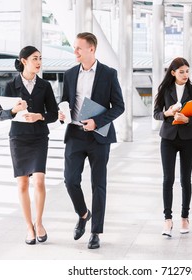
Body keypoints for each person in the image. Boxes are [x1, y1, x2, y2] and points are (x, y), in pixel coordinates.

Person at [58, 32, 125, 249]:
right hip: (75, 134)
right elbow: (65, 101)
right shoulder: (69, 74)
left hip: (99, 136)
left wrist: (97, 122)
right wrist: (62, 112)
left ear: (91, 49)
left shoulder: (108, 74)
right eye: (74, 47)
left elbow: (119, 106)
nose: (75, 51)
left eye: (78, 48)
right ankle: (83, 214)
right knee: (70, 180)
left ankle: (96, 232)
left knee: (98, 184)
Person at [0, 46, 58, 245]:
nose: (38, 62)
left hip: (39, 137)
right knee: (22, 183)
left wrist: (39, 116)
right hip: (18, 138)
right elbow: (0, 114)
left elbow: (54, 114)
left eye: (40, 58)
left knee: (39, 181)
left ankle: (39, 223)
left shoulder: (45, 86)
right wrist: (13, 110)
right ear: (24, 61)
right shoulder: (10, 85)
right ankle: (29, 227)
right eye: (34, 58)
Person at [153, 57, 192, 237]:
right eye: (181, 71)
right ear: (173, 73)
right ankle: (167, 220)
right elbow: (156, 114)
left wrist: (187, 119)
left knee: (185, 180)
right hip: (168, 138)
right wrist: (168, 113)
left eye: (187, 71)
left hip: (188, 139)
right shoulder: (165, 89)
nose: (185, 75)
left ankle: (185, 217)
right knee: (168, 179)